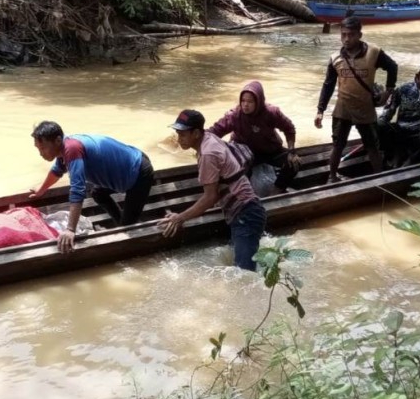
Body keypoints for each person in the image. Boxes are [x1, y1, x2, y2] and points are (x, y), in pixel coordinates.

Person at [159, 110, 266, 271]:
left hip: (245, 214)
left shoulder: (208, 153)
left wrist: (179, 218)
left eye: (182, 134)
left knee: (245, 276)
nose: (179, 139)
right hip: (246, 211)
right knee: (244, 270)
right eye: (177, 133)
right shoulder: (209, 138)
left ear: (196, 133)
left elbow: (210, 197)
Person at [30, 121, 155, 254]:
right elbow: (57, 171)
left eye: (43, 148)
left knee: (126, 235)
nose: (40, 153)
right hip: (125, 171)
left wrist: (70, 229)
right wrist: (41, 190)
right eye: (38, 149)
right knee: (98, 193)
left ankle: (125, 227)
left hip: (139, 172)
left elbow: (78, 190)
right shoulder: (63, 149)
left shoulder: (72, 148)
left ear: (57, 140)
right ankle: (121, 223)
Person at [315, 16, 398, 183]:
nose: (346, 39)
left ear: (359, 35)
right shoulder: (335, 58)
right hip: (343, 107)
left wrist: (388, 92)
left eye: (351, 35)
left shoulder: (374, 53)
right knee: (338, 145)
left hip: (365, 107)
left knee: (372, 146)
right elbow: (328, 85)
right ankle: (332, 177)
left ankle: (379, 178)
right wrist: (320, 110)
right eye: (343, 34)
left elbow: (392, 67)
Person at [209, 81, 300, 193]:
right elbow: (214, 132)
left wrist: (292, 151)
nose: (245, 105)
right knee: (232, 168)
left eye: (250, 101)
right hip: (245, 154)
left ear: (259, 101)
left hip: (270, 150)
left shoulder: (271, 112)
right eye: (243, 101)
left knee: (294, 163)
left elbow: (289, 128)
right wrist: (197, 140)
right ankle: (241, 195)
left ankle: (276, 190)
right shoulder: (234, 116)